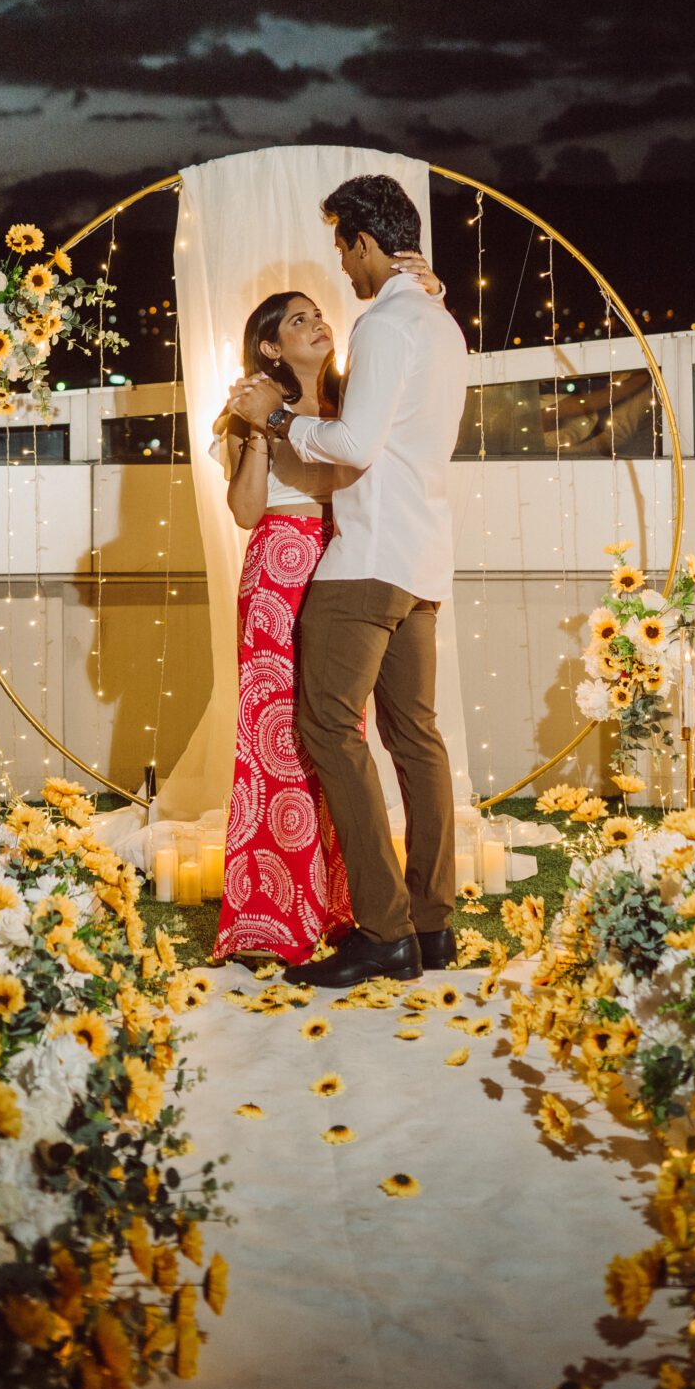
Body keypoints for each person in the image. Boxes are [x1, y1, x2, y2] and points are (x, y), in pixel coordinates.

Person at [227, 174, 468, 986]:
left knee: (330, 732)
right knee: (417, 742)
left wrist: (283, 420)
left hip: (365, 561)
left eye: (342, 245)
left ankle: (384, 930)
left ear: (364, 242)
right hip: (423, 557)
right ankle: (432, 926)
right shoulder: (439, 320)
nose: (341, 264)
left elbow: (359, 443)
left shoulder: (386, 323)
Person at [210, 288, 356, 965]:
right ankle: (268, 914)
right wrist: (260, 429)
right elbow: (243, 511)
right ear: (270, 346)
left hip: (345, 562)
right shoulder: (246, 413)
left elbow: (355, 481)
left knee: (338, 732)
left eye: (317, 315)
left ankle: (342, 905)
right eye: (298, 320)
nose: (317, 324)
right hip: (274, 572)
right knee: (270, 737)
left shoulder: (353, 401)